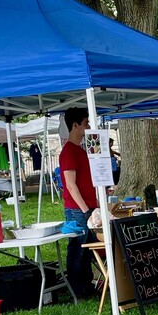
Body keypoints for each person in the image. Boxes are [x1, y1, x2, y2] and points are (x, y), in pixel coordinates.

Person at [59, 107, 100, 298]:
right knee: (78, 249)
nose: (89, 126)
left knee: (87, 249)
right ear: (75, 125)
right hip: (78, 209)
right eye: (85, 123)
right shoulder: (68, 152)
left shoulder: (81, 150)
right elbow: (70, 185)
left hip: (88, 206)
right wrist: (86, 210)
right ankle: (77, 289)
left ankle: (86, 285)